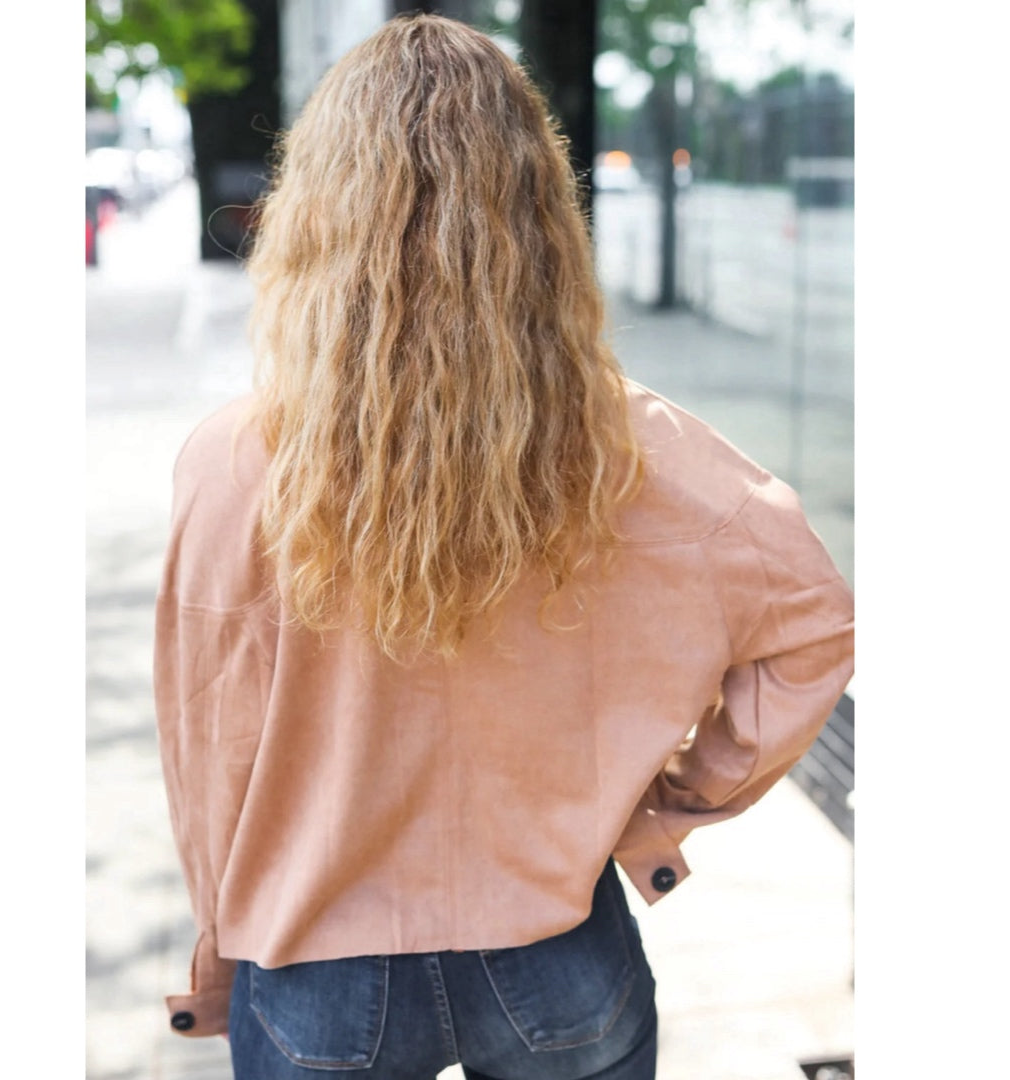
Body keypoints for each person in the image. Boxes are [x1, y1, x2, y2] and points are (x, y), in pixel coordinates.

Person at [153, 14, 854, 1080]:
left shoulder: (232, 463)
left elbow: (207, 753)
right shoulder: (640, 450)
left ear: (318, 212)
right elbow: (812, 622)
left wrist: (220, 944)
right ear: (539, 209)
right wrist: (668, 807)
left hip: (316, 976)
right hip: (557, 953)